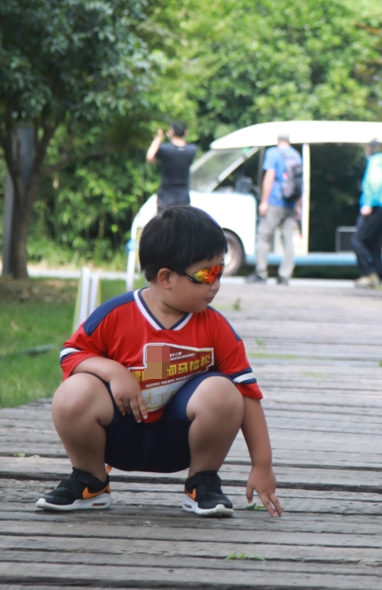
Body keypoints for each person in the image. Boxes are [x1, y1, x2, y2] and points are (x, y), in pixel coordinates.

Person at [36, 206, 282, 518]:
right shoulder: (116, 315)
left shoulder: (215, 327)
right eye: (207, 274)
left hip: (179, 443)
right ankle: (90, 481)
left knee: (224, 390)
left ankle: (202, 483)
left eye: (220, 272)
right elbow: (71, 355)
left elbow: (247, 393)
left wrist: (262, 464)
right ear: (166, 277)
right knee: (73, 392)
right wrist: (113, 371)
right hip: (118, 437)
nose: (216, 284)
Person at [246, 134, 301, 286]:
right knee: (288, 239)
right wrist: (299, 206)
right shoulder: (296, 155)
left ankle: (261, 272)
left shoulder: (273, 153)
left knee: (264, 236)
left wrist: (264, 202)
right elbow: (299, 182)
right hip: (291, 203)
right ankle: (285, 275)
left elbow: (269, 178)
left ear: (278, 140)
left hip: (275, 201)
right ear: (289, 141)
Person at [352, 140, 382, 289]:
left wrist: (368, 203)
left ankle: (369, 273)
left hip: (375, 207)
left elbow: (375, 183)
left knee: (357, 240)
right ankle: (379, 274)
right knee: (375, 244)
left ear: (369, 150)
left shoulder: (375, 163)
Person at [146, 121, 197, 212]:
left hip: (166, 197)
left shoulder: (165, 149)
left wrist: (158, 138)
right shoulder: (192, 150)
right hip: (183, 197)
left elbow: (150, 158)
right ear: (186, 132)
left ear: (172, 131)